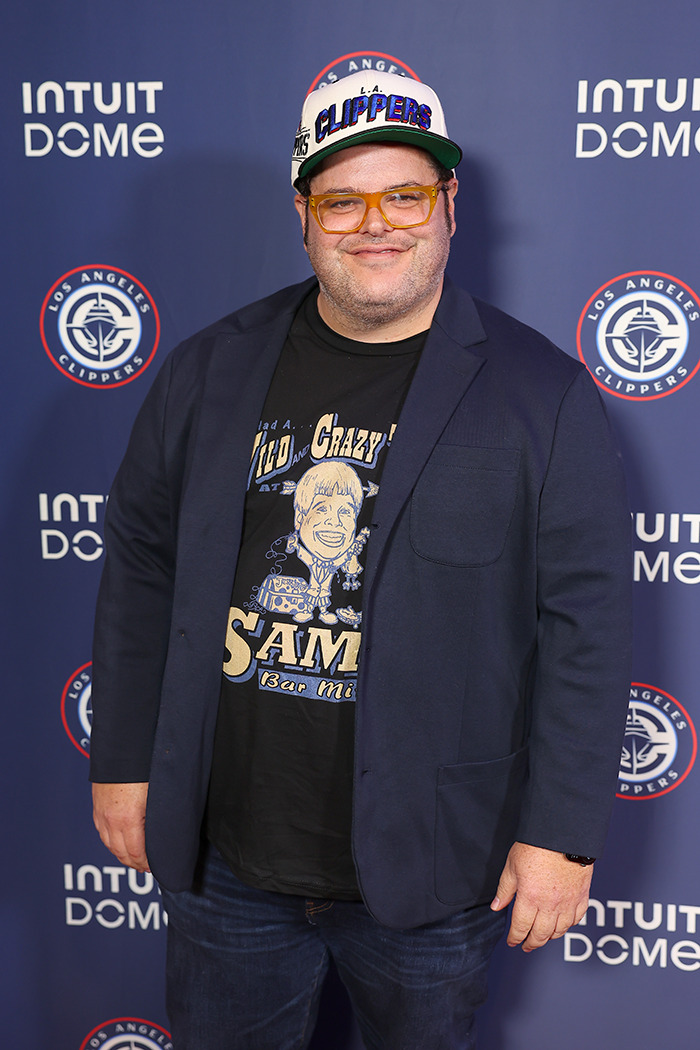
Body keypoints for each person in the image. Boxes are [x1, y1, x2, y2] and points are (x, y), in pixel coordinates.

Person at [90, 68, 632, 1049]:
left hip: (435, 867)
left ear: (448, 208)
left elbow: (584, 627)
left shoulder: (542, 395)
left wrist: (558, 832)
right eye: (342, 199)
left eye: (404, 196)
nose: (372, 225)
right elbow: (138, 561)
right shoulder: (210, 369)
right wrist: (125, 757)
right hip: (228, 861)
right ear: (304, 213)